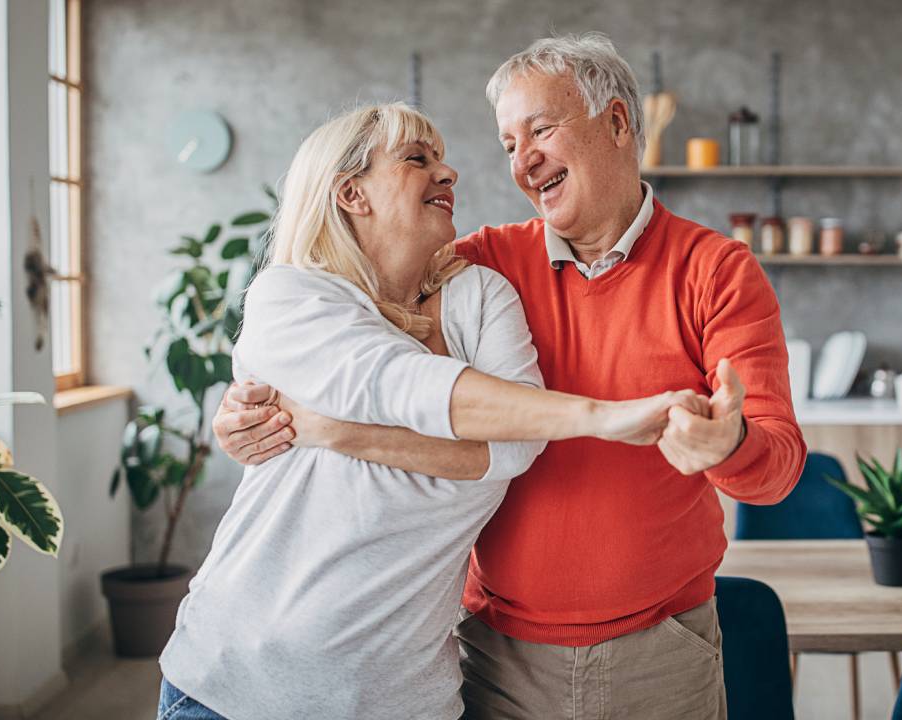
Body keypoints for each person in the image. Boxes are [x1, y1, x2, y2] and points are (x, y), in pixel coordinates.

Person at [214, 33, 807, 719]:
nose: (522, 163)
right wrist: (249, 408)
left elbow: (779, 469)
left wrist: (728, 447)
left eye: (540, 131)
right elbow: (356, 339)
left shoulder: (718, 271)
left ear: (616, 123)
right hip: (495, 654)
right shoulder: (477, 267)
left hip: (663, 651)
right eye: (506, 144)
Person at [157, 102, 707, 720]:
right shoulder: (290, 296)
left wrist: (335, 432)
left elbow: (515, 448)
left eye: (443, 160)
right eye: (417, 159)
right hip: (242, 684)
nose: (448, 173)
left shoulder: (481, 295)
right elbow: (397, 383)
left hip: (406, 698)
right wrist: (602, 417)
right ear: (351, 194)